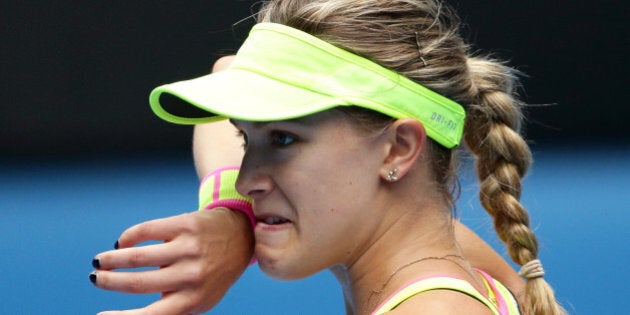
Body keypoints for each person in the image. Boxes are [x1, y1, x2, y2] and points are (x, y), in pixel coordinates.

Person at [90, 0, 565, 314]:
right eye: (246, 138)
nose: (248, 177)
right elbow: (228, 72)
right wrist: (232, 218)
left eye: (284, 140)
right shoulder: (431, 245)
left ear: (398, 148)